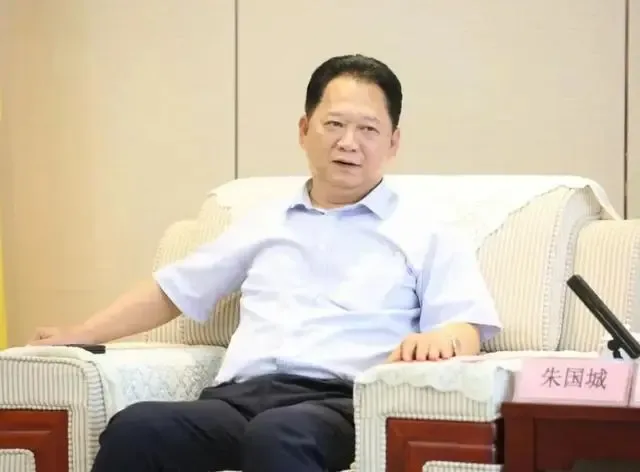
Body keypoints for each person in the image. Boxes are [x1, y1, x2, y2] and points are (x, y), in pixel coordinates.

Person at [32, 54, 502, 472]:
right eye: (334, 124)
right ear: (304, 130)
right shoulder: (263, 221)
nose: (348, 142)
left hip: (340, 405)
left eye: (368, 129)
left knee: (279, 435)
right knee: (139, 428)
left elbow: (467, 326)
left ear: (393, 142)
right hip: (237, 400)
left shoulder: (425, 230)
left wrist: (440, 339)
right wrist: (83, 333)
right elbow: (173, 290)